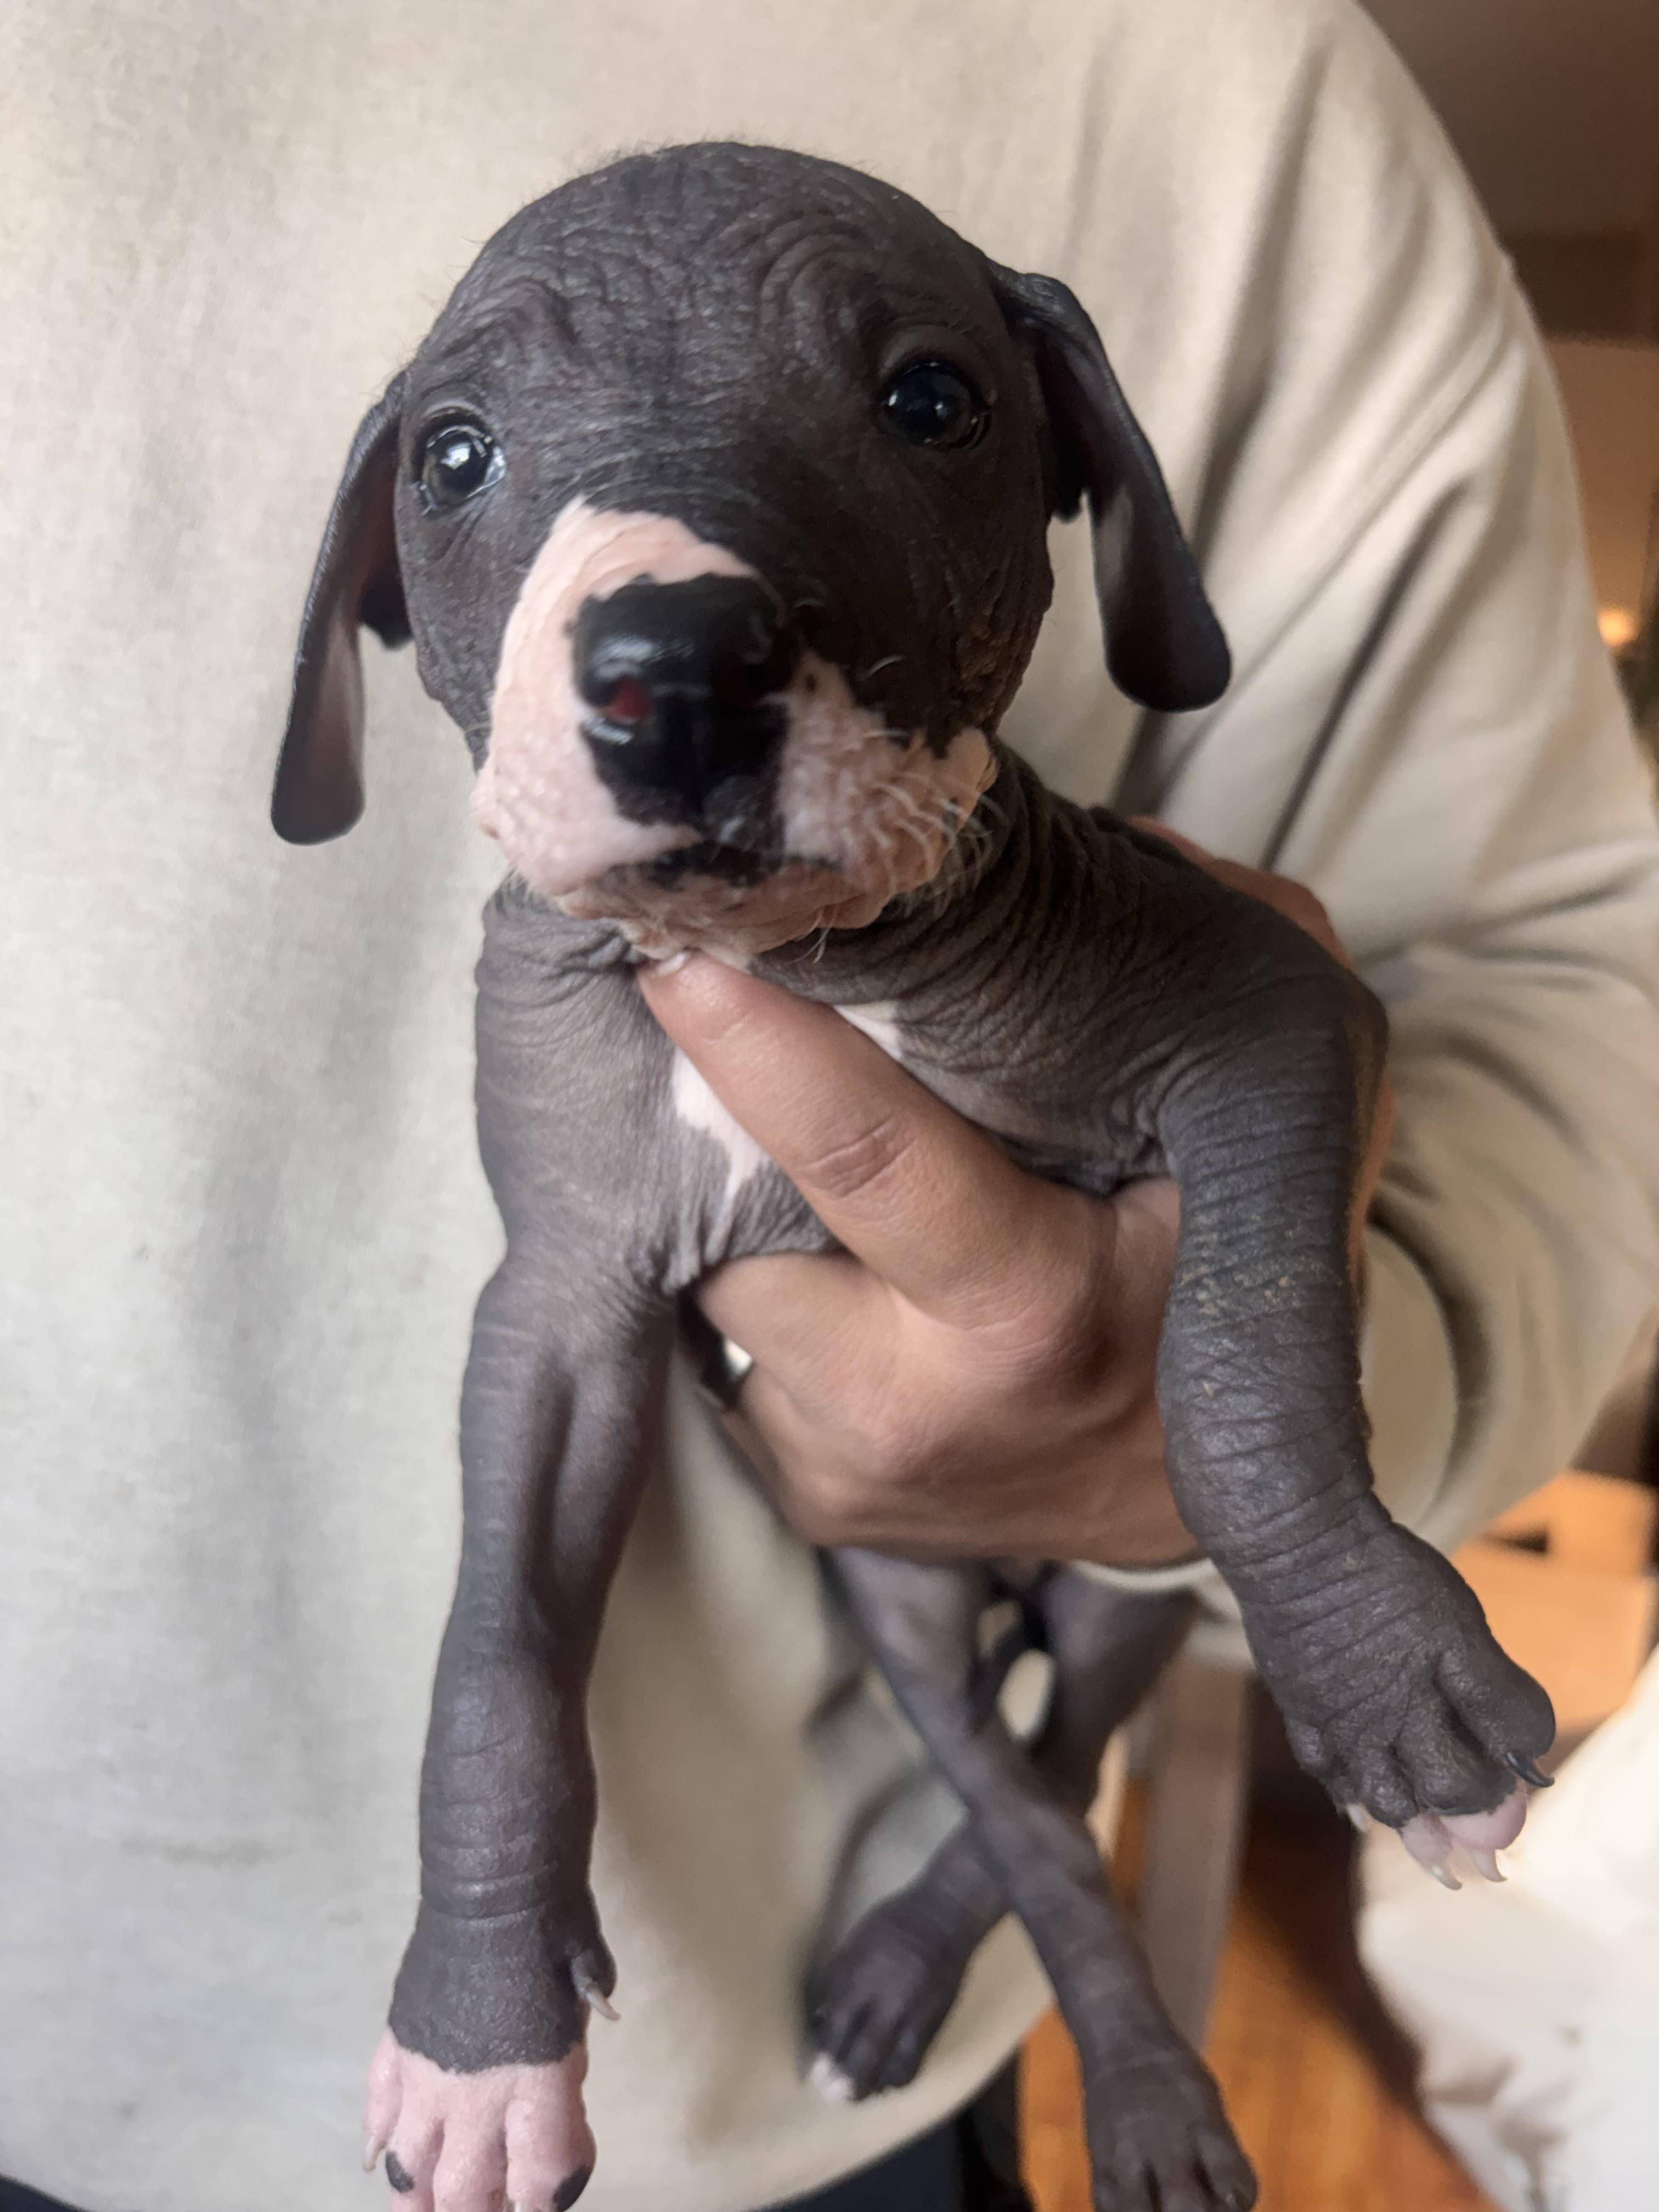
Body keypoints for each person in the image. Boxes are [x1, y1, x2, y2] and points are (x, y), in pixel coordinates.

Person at [2, 2, 1656, 2208]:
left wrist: (1256, 1475)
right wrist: (485, 1909)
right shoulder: (559, 998)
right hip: (64, 1992)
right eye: (466, 462)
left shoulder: (1219, 69)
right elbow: (553, 1402)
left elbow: (1331, 1013)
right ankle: (984, 1971)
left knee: (1066, 1663)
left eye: (924, 403)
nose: (672, 648)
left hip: (820, 2093)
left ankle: (1065, 1969)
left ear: (1096, 500)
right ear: (373, 608)